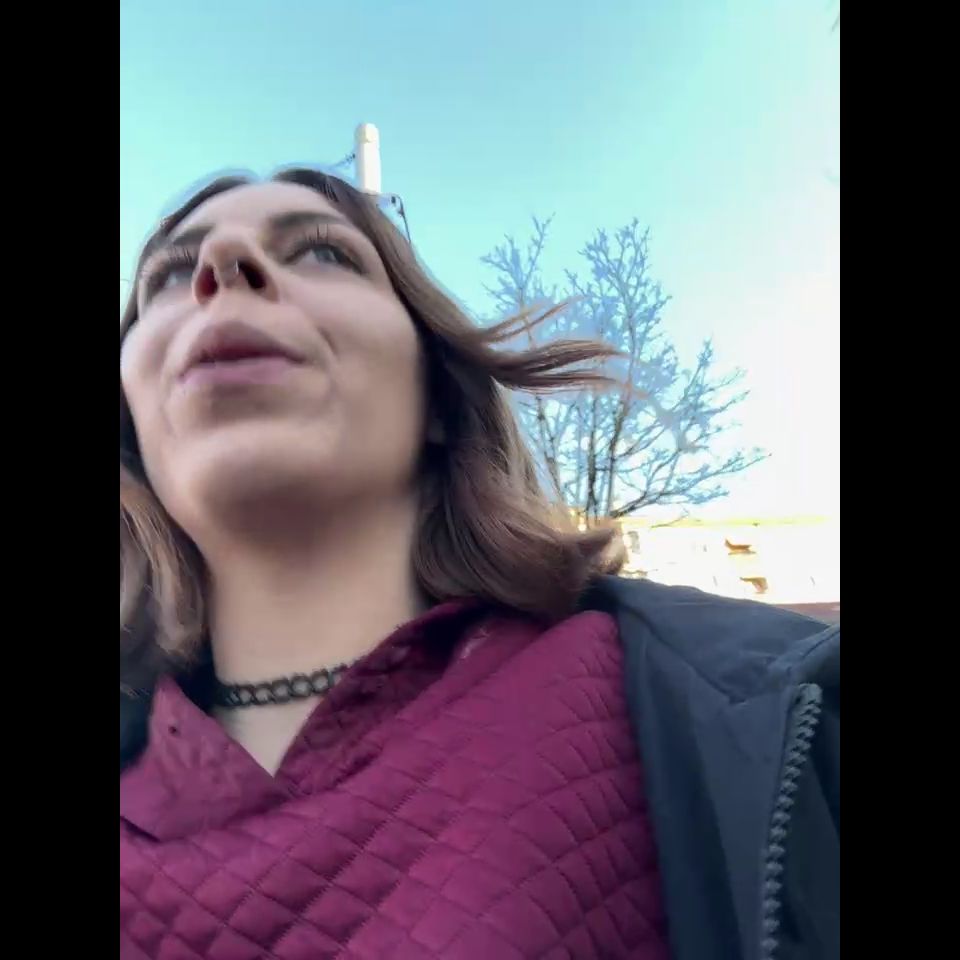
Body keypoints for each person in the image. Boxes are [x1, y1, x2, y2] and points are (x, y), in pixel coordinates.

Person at [120, 169, 839, 960]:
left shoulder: (771, 707)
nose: (220, 261)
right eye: (167, 276)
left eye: (323, 253)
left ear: (438, 398)